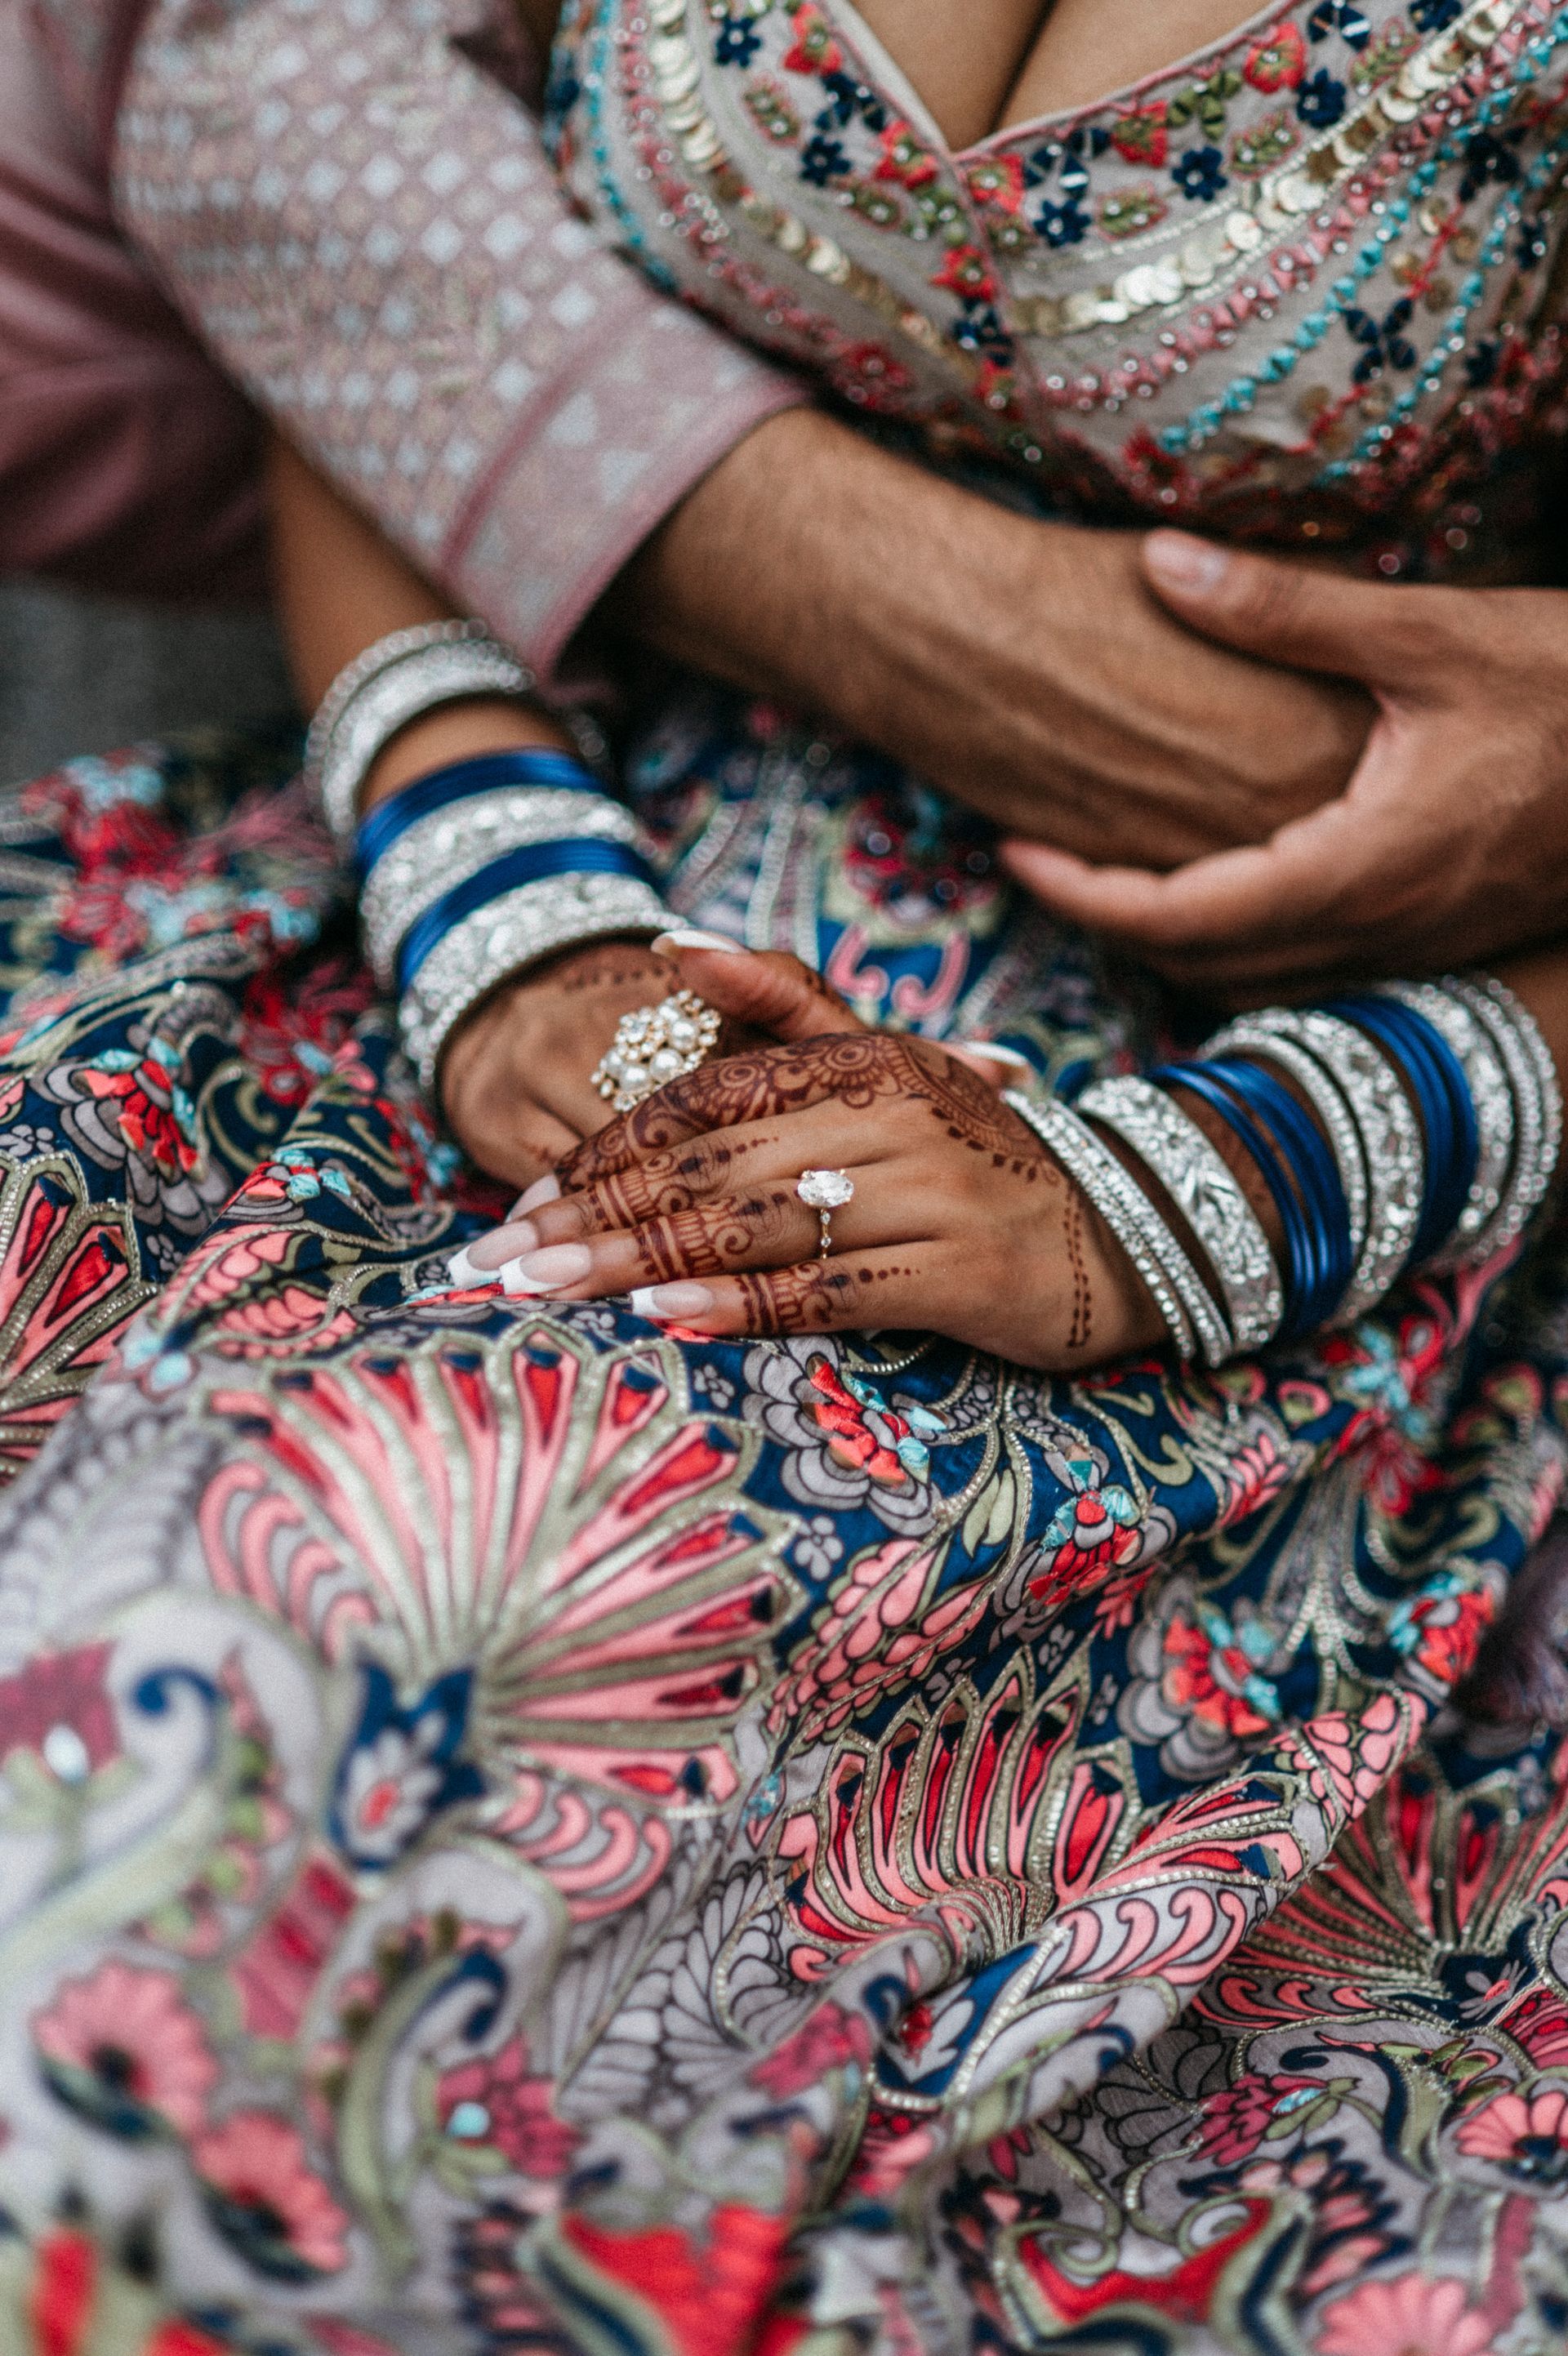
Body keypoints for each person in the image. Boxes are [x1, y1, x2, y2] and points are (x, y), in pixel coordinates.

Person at [3, 7, 1568, 2356]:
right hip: (453, 873)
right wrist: (498, 901)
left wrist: (1210, 1191)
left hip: (1255, 1180)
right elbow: (364, 206)